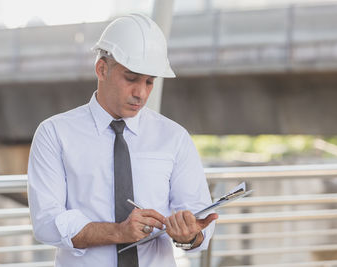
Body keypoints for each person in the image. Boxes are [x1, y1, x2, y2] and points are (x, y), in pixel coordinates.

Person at [27, 13, 217, 267]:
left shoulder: (175, 138)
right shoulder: (54, 134)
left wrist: (191, 235)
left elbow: (198, 224)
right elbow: (46, 222)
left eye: (150, 82)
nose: (141, 93)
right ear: (102, 69)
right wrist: (118, 232)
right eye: (131, 78)